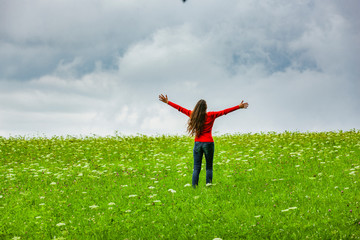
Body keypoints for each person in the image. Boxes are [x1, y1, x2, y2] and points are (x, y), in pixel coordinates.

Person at [158, 94, 249, 187]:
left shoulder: (192, 114)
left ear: (197, 107)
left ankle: (194, 188)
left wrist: (168, 102)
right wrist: (238, 107)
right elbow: (224, 112)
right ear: (206, 107)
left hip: (197, 143)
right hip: (209, 143)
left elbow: (179, 108)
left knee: (196, 168)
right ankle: (208, 186)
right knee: (209, 167)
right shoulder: (211, 115)